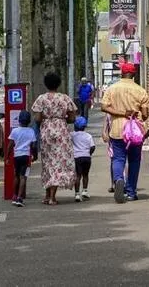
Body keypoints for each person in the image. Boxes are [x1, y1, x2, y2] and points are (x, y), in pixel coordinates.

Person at [101, 61, 149, 203]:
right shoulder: (141, 90)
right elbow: (146, 114)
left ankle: (118, 179)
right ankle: (131, 192)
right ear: (133, 74)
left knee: (118, 158)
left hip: (117, 129)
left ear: (122, 73)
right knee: (134, 161)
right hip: (135, 132)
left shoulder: (112, 89)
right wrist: (136, 114)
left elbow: (104, 107)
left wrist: (121, 113)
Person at [31, 71, 77, 205]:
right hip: (61, 130)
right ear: (58, 84)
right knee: (58, 162)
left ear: (46, 84)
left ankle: (47, 195)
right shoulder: (65, 98)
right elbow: (73, 117)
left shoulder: (41, 98)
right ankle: (52, 197)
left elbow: (38, 117)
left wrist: (46, 119)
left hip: (46, 131)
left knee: (47, 163)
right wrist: (62, 119)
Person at [8, 110, 37, 206]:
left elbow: (10, 145)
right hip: (26, 156)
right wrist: (35, 156)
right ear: (29, 121)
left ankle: (14, 196)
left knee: (16, 176)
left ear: (19, 120)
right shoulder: (31, 131)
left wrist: (7, 157)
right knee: (23, 177)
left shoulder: (15, 131)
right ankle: (20, 199)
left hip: (16, 156)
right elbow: (33, 146)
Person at [71, 116, 95, 202]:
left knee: (78, 175)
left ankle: (77, 194)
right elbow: (92, 147)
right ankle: (85, 190)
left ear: (75, 126)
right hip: (87, 157)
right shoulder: (88, 136)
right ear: (85, 126)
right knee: (85, 174)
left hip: (77, 157)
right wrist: (89, 153)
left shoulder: (72, 135)